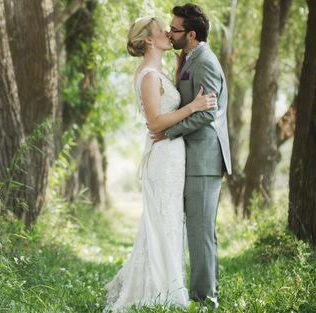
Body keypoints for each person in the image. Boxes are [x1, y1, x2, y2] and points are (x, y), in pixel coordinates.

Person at [104, 16, 218, 312]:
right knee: (165, 219)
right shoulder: (149, 75)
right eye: (161, 31)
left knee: (169, 220)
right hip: (164, 155)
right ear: (149, 40)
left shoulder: (158, 71)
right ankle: (159, 288)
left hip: (172, 154)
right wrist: (193, 106)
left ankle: (167, 284)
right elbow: (154, 121)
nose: (168, 33)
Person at [153, 3, 233, 309]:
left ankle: (205, 299)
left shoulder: (206, 62)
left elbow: (207, 112)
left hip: (205, 158)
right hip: (194, 156)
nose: (170, 33)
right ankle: (203, 292)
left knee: (201, 233)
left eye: (175, 29)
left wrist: (168, 132)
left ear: (192, 34)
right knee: (197, 231)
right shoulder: (189, 58)